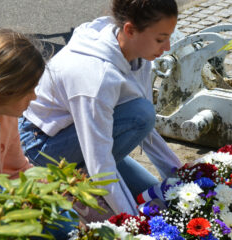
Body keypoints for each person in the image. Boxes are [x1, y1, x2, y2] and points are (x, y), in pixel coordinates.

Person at [19, 0, 182, 216]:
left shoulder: (136, 54)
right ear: (130, 30)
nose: (167, 47)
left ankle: (88, 182)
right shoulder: (97, 77)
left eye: (169, 37)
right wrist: (131, 222)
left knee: (163, 197)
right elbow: (100, 165)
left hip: (82, 138)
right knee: (140, 114)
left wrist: (181, 176)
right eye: (161, 39)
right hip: (42, 147)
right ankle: (73, 188)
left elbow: (147, 133)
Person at [0, 28, 76, 240]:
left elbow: (18, 169)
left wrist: (54, 192)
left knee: (67, 219)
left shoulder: (5, 112)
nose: (34, 96)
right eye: (29, 89)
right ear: (6, 89)